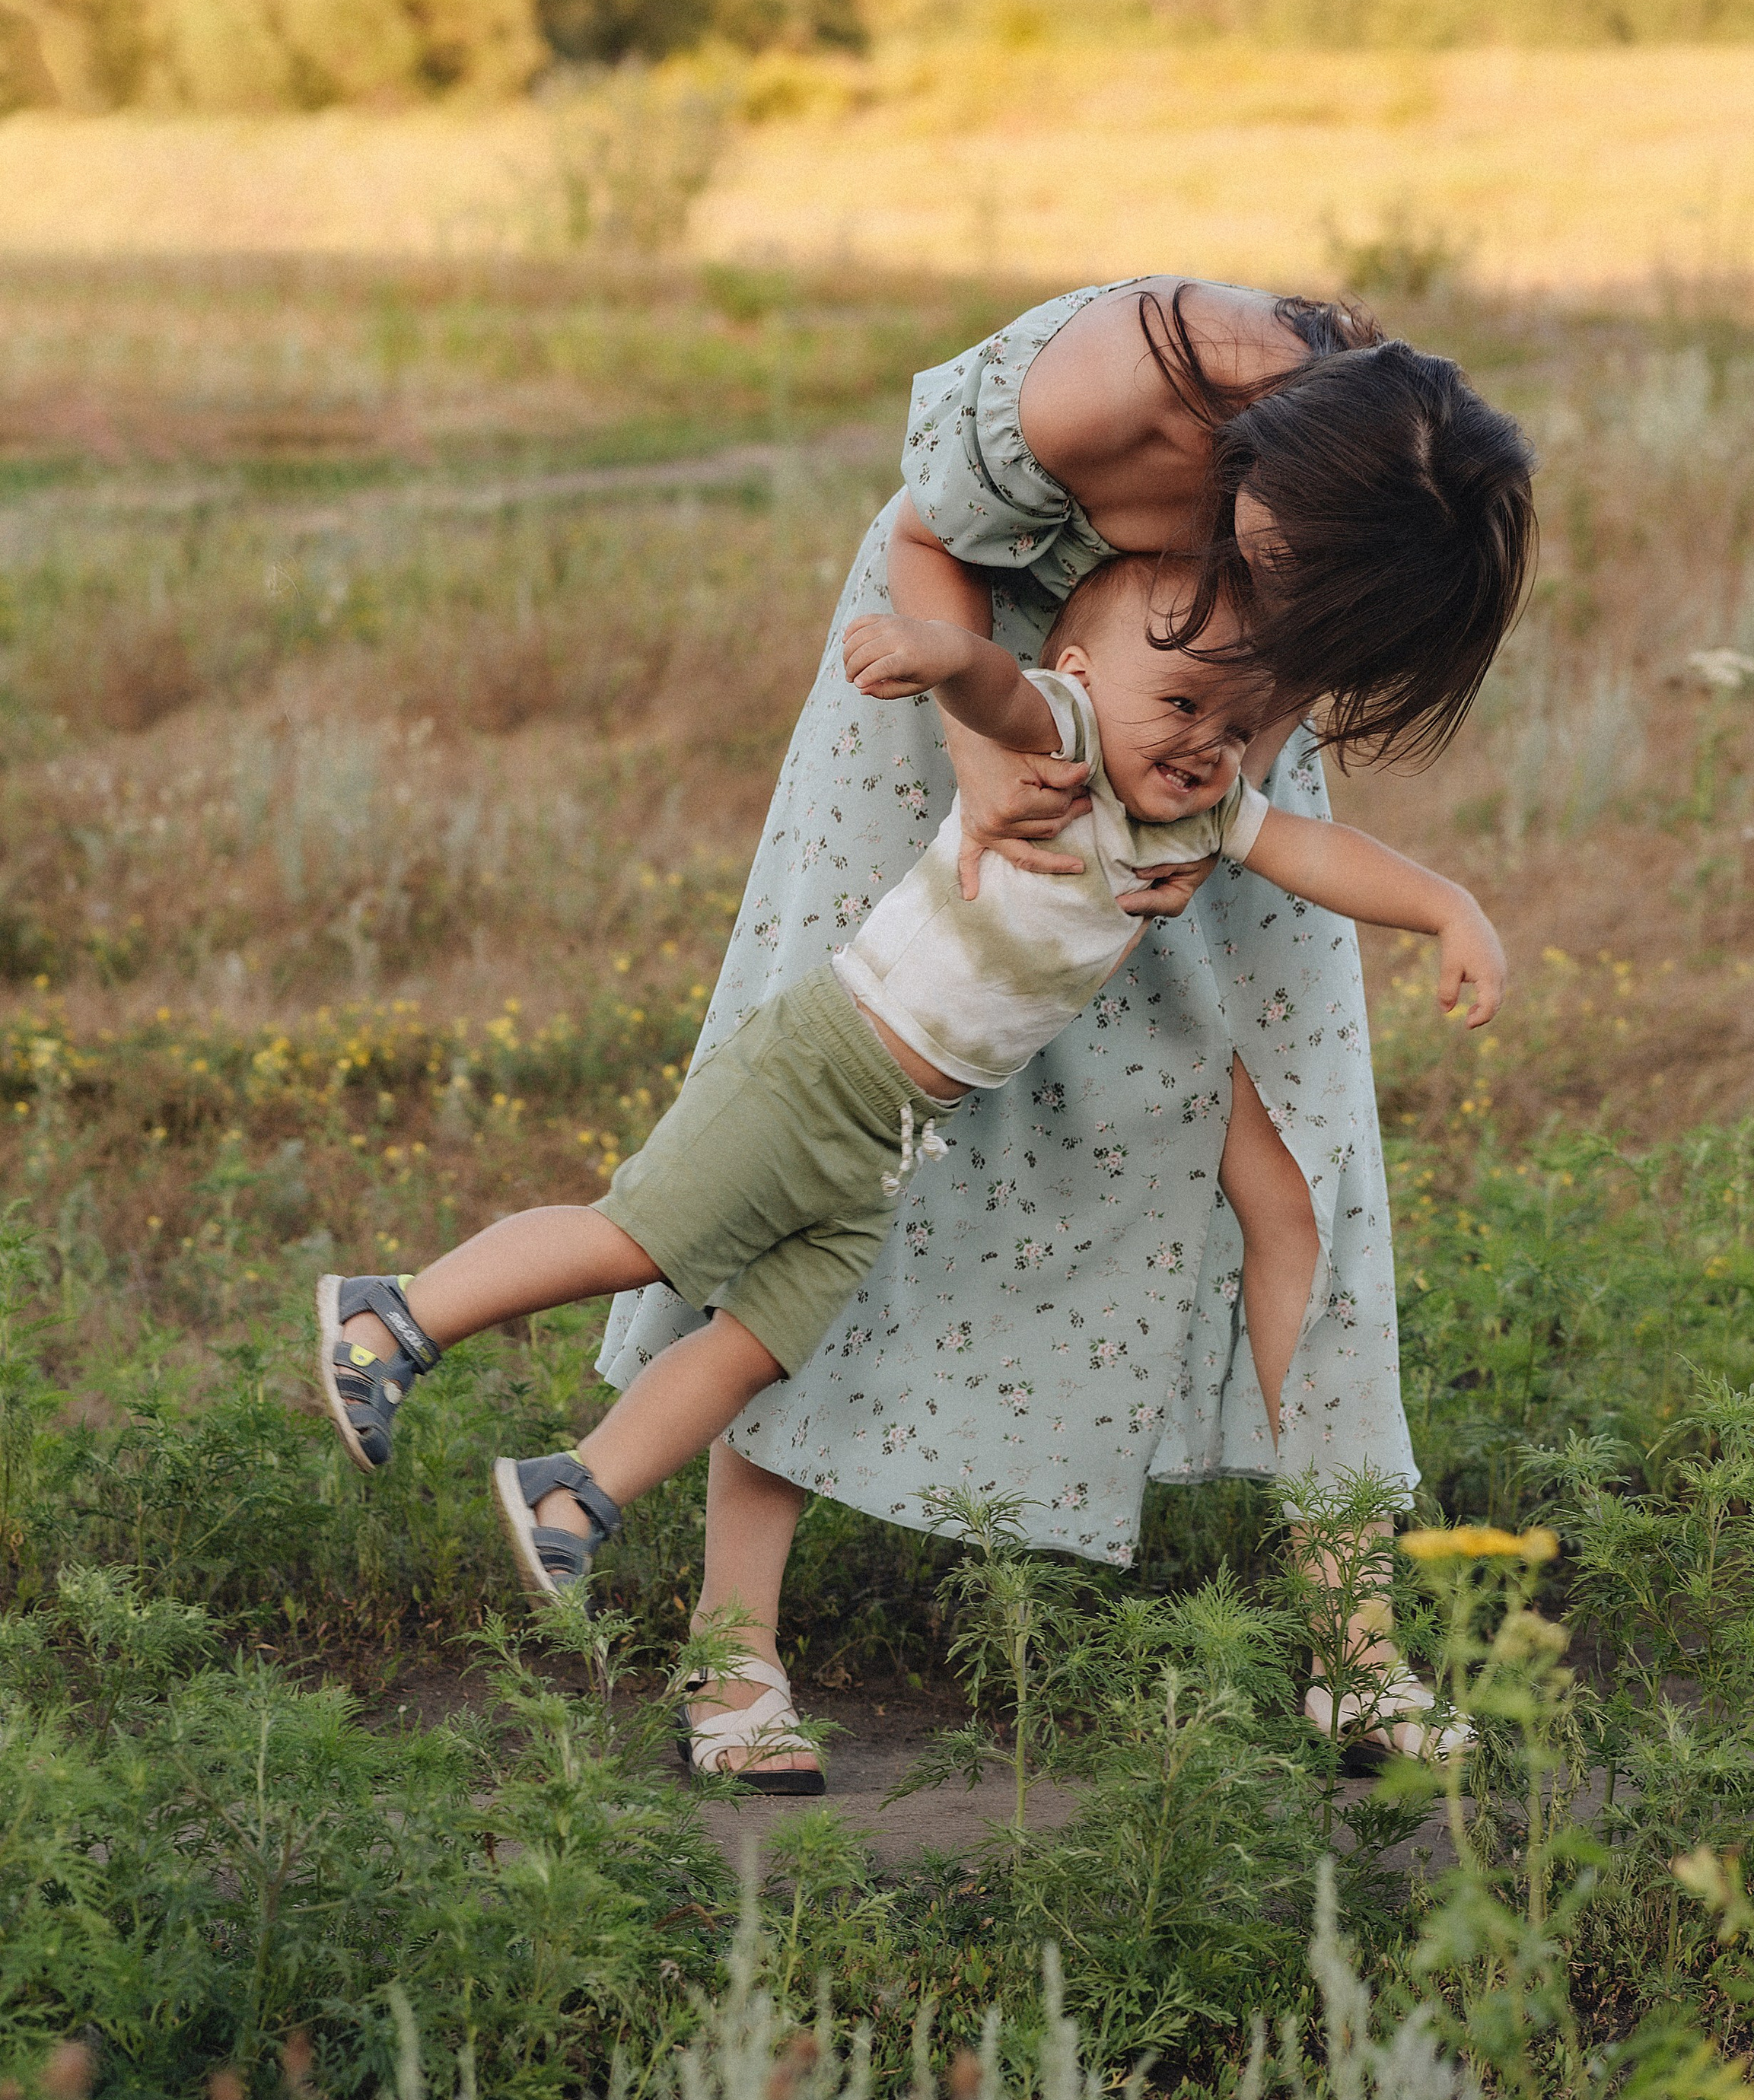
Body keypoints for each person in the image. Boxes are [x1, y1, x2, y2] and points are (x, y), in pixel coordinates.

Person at [316, 556, 1503, 1790]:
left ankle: (575, 1492)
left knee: (763, 1344)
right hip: (819, 1071)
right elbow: (998, 685)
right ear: (1085, 679)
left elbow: (1323, 853)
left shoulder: (1200, 812)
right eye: (1184, 703)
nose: (1209, 741)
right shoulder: (1069, 736)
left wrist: (1448, 906)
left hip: (894, 1133)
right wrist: (942, 657)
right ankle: (397, 1311)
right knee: (646, 1237)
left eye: (1237, 720)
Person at [598, 278, 1536, 1785]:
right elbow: (923, 541)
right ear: (1262, 488)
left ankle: (1357, 1657)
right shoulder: (1116, 384)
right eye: (1294, 592)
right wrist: (990, 756)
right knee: (844, 1142)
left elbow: (1282, 664)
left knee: (1298, 1162)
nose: (1298, 629)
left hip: (1198, 741)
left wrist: (1232, 759)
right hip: (965, 689)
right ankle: (730, 1649)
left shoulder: (1379, 480)